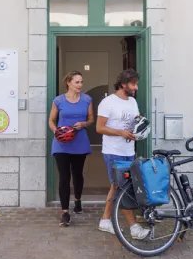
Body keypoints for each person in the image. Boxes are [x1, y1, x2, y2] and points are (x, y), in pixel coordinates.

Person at [96, 68, 150, 240]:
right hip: (113, 152)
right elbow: (99, 128)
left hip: (129, 151)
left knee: (118, 187)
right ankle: (133, 227)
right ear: (123, 84)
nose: (136, 88)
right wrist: (120, 132)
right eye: (133, 84)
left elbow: (135, 121)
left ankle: (105, 220)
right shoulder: (108, 102)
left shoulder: (132, 102)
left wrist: (140, 125)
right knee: (121, 187)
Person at [49, 71, 94, 227]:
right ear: (68, 82)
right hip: (61, 143)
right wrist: (57, 132)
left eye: (81, 82)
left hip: (79, 141)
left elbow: (91, 119)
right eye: (77, 82)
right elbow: (51, 120)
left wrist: (84, 124)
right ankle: (65, 212)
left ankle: (78, 200)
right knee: (64, 176)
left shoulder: (87, 100)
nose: (80, 85)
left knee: (77, 173)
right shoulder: (58, 100)